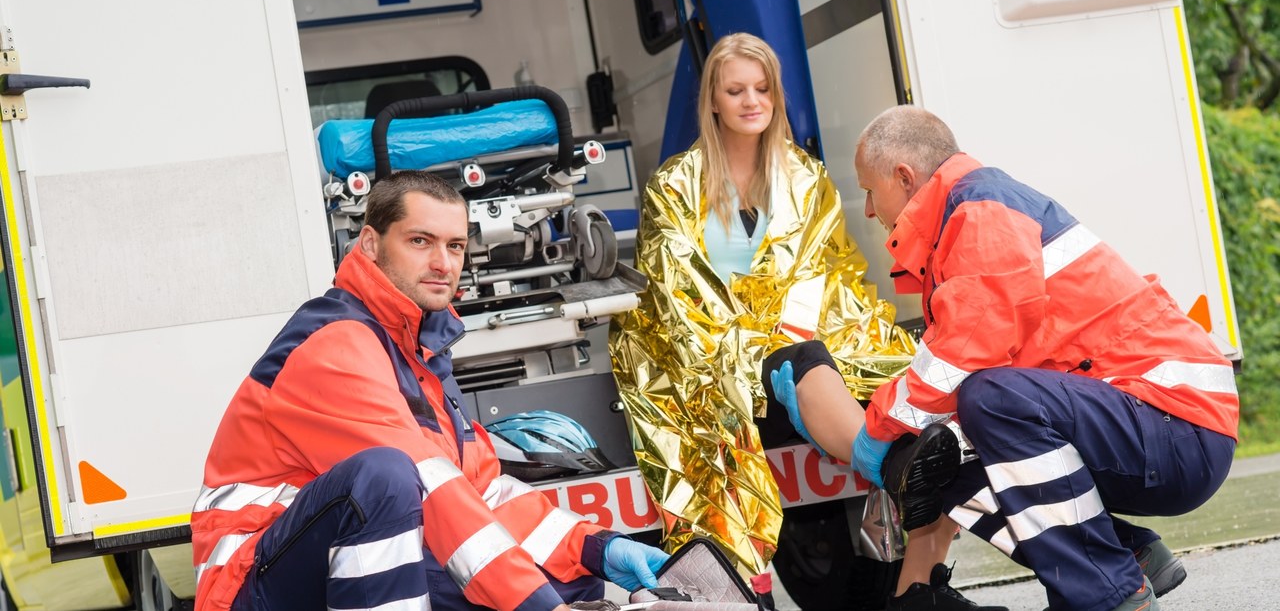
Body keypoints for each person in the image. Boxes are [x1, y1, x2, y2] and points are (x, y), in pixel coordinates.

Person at [783, 104, 1238, 611]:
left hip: (1180, 424)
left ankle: (1107, 596)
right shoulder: (968, 217)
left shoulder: (981, 210)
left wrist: (876, 434)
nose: (868, 209)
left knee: (986, 399)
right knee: (944, 455)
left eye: (869, 190)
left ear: (904, 177)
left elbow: (964, 352)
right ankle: (1126, 557)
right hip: (1155, 424)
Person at [609, 33, 997, 610]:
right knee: (806, 362)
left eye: (762, 88)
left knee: (932, 377)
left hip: (803, 340)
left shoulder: (805, 177)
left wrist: (790, 331)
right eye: (735, 89)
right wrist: (755, 341)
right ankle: (888, 466)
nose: (751, 101)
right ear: (712, 99)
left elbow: (829, 273)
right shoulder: (675, 185)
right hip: (717, 359)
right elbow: (679, 296)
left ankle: (918, 588)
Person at [192, 171, 669, 611]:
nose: (443, 263)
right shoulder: (335, 342)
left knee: (572, 582)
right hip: (249, 583)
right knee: (385, 476)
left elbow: (482, 490)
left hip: (319, 563)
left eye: (456, 246)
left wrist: (596, 549)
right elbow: (427, 487)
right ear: (371, 244)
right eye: (420, 241)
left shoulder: (418, 348)